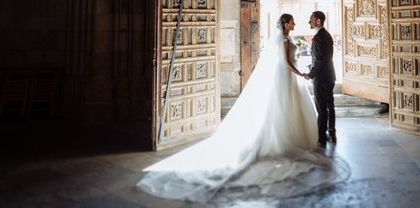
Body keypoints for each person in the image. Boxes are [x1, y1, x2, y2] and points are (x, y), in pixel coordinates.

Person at [136, 13, 349, 204]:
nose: (299, 22)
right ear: (285, 24)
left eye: (305, 19)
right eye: (293, 20)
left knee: (317, 107)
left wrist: (306, 73)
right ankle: (312, 135)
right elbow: (285, 62)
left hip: (307, 78)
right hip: (290, 78)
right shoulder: (286, 39)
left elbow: (313, 58)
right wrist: (301, 74)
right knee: (298, 108)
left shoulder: (295, 37)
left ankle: (324, 134)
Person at [305, 10, 337, 147]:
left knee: (321, 109)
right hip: (330, 76)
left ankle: (322, 139)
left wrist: (310, 74)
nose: (309, 22)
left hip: (321, 78)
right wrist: (311, 65)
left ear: (318, 21)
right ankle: (332, 133)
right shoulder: (327, 35)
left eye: (311, 19)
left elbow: (319, 60)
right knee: (330, 107)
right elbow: (324, 58)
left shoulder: (318, 37)